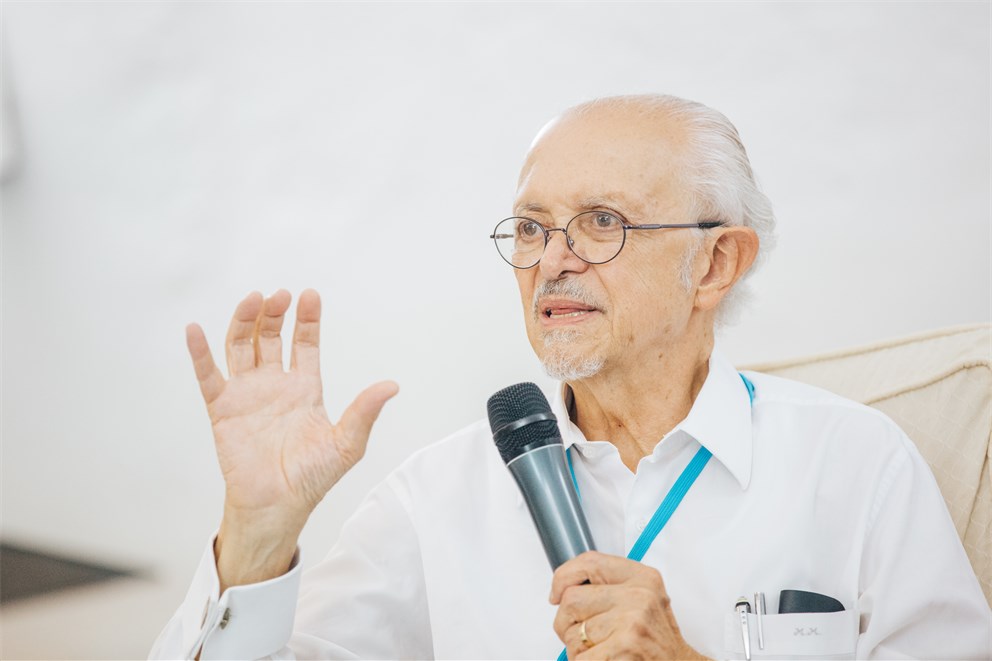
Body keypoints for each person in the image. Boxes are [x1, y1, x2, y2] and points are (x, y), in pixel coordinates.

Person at [151, 95, 991, 660]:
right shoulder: (437, 495)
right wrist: (256, 537)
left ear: (715, 263)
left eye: (601, 222)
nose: (552, 260)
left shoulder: (856, 463)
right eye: (530, 228)